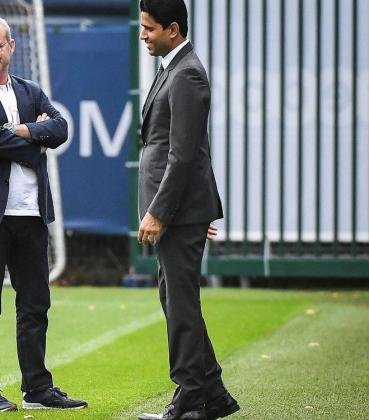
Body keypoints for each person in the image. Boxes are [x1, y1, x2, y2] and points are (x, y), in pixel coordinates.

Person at [0, 15, 87, 413]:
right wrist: (35, 139)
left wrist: (21, 132)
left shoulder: (31, 90)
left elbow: (59, 129)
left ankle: (37, 389)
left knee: (35, 305)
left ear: (11, 46)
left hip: (31, 215)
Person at [135, 1, 239, 420]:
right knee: (176, 299)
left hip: (176, 212)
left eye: (149, 28)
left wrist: (163, 212)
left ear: (173, 29)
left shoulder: (187, 73)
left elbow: (182, 155)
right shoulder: (174, 69)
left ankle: (190, 393)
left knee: (179, 303)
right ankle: (212, 394)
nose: (143, 34)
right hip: (181, 210)